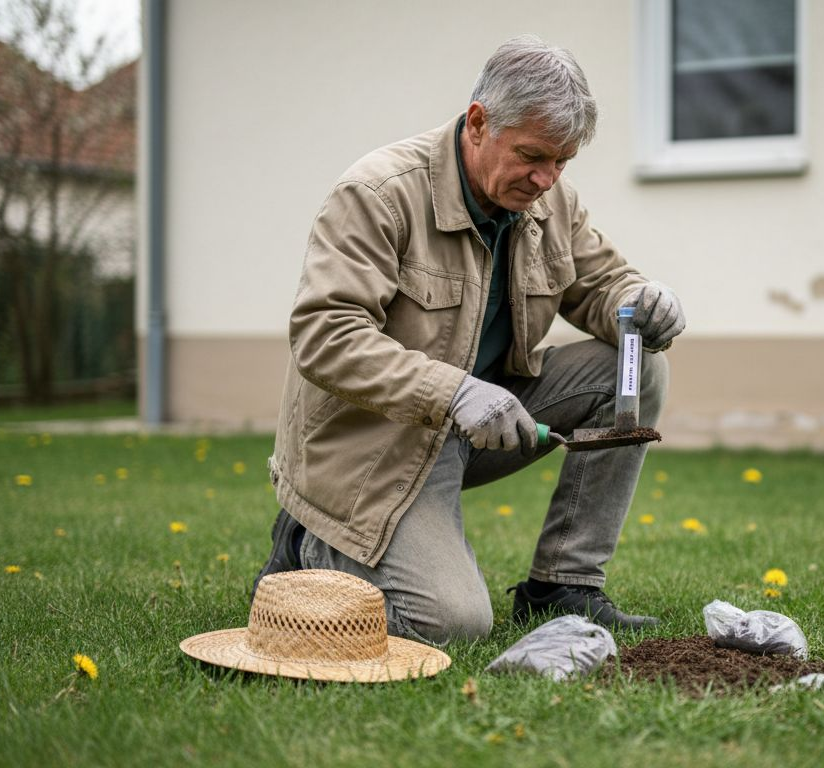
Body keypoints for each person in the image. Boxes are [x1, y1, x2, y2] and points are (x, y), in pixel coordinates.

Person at [257, 35, 686, 645]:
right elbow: (327, 336)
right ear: (479, 123)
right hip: (375, 444)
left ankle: (563, 586)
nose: (547, 179)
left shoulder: (549, 199)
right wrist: (454, 392)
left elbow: (602, 283)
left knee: (636, 368)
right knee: (454, 624)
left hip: (476, 424)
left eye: (562, 162)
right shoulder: (379, 194)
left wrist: (639, 300)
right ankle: (307, 542)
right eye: (533, 156)